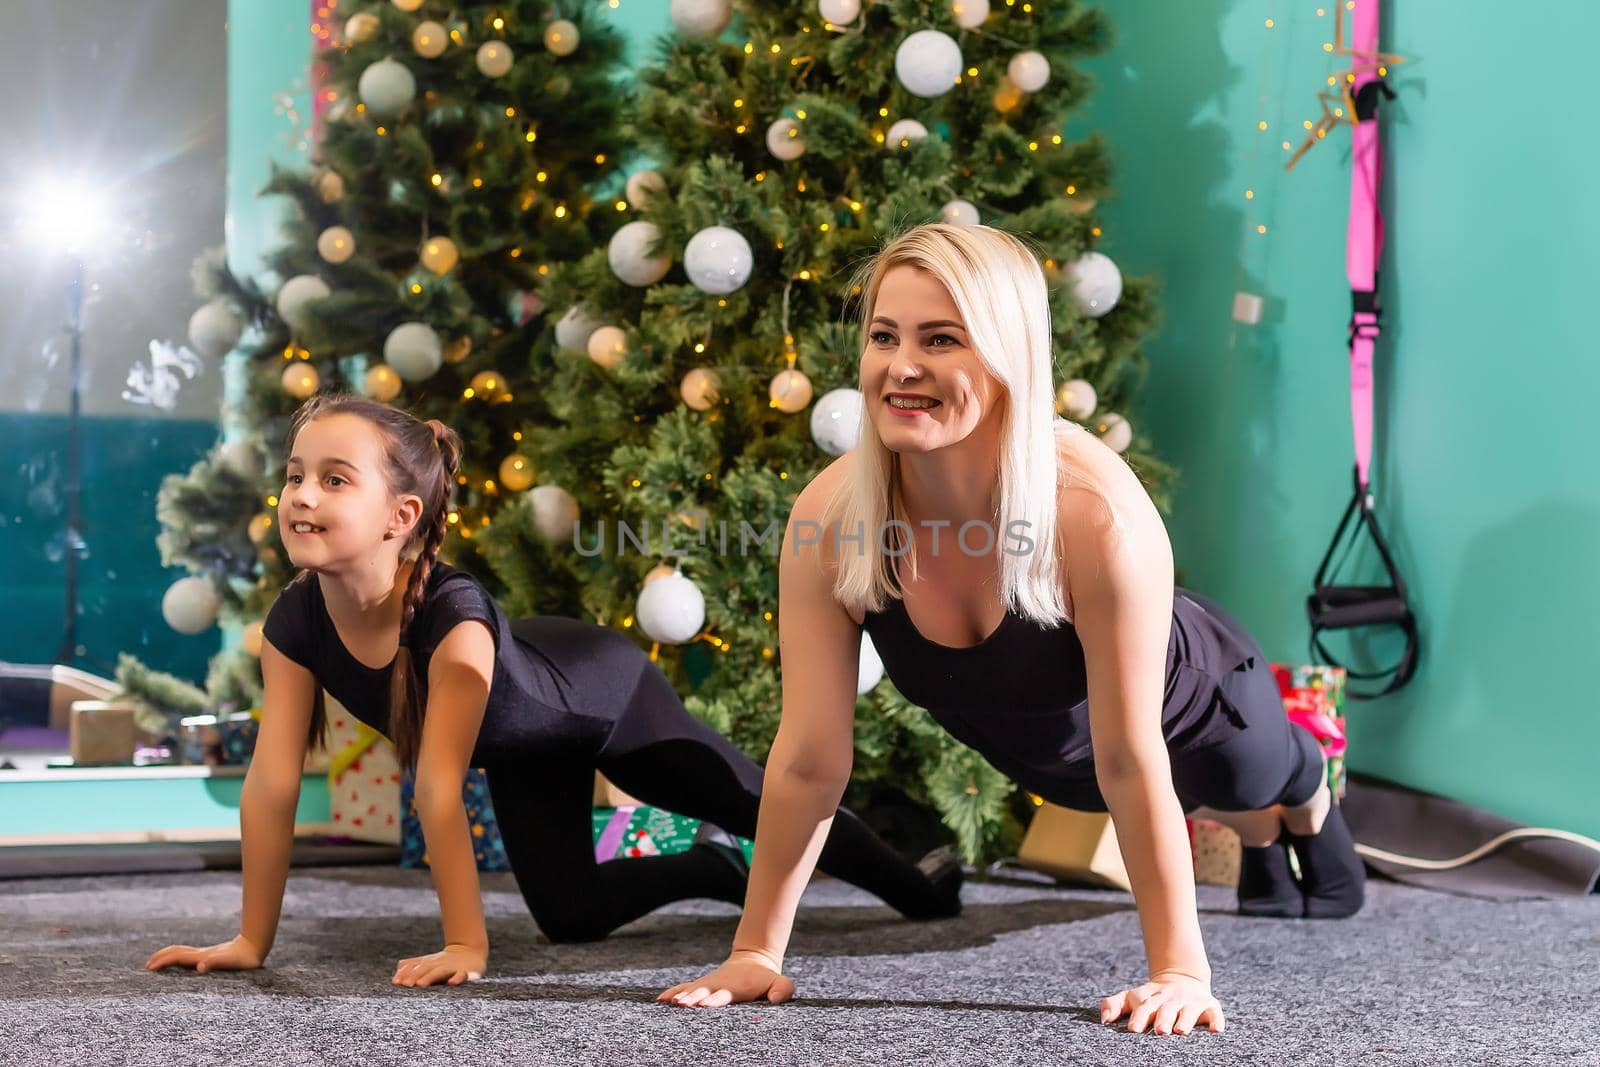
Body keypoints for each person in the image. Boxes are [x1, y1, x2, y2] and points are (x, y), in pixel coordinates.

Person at [657, 223, 1366, 1036]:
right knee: (1194, 806)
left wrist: (1180, 971)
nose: (902, 366)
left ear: (1008, 355)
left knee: (1246, 782)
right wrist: (758, 951)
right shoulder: (834, 518)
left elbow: (1135, 761)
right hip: (1062, 762)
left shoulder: (1093, 514)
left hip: (1202, 702)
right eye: (884, 336)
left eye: (942, 339)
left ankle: (1306, 792)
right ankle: (1264, 845)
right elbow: (812, 757)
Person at [145, 395, 961, 987]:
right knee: (569, 916)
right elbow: (274, 779)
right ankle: (710, 868)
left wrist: (466, 944)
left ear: (400, 514)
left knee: (765, 801)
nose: (301, 496)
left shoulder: (451, 624)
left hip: (599, 695)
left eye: (332, 479)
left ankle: (914, 883)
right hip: (524, 745)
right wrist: (252, 938)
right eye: (295, 477)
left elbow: (436, 787)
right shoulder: (295, 618)